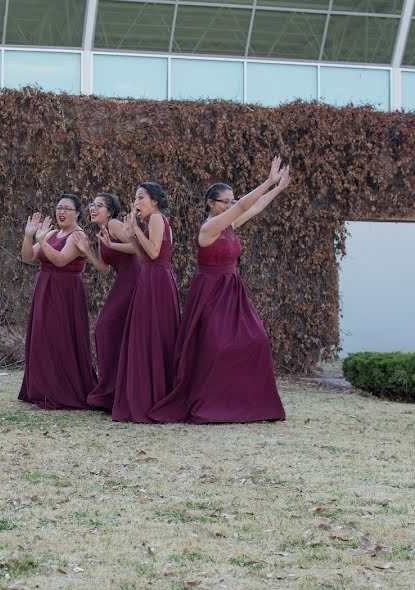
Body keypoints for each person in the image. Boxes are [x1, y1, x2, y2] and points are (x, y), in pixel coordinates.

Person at [156, 158, 291, 424]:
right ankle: (211, 402)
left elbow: (254, 206)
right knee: (215, 346)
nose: (230, 205)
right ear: (211, 203)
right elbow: (243, 205)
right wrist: (268, 181)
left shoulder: (230, 225)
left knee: (257, 340)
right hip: (209, 292)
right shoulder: (209, 228)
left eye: (231, 201)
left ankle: (243, 403)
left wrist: (278, 188)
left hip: (232, 291)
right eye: (225, 201)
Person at [18, 194, 97, 409]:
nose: (61, 212)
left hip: (65, 293)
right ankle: (41, 391)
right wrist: (29, 235)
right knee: (42, 338)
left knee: (59, 340)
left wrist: (42, 240)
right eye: (59, 207)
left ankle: (59, 393)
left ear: (78, 213)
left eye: (67, 209)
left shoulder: (78, 236)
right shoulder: (52, 232)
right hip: (45, 289)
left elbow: (61, 260)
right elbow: (27, 257)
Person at [112, 182, 181, 423]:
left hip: (157, 280)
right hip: (150, 279)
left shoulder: (157, 219)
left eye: (140, 197)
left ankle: (154, 397)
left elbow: (153, 253)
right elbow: (143, 256)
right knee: (147, 335)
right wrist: (132, 235)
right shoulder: (150, 222)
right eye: (135, 197)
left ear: (154, 201)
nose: (135, 202)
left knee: (153, 335)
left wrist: (136, 231)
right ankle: (149, 395)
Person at [71, 193, 139, 411]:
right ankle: (114, 390)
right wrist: (87, 251)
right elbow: (104, 270)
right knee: (111, 332)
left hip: (136, 280)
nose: (93, 208)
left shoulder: (115, 224)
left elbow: (139, 248)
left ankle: (110, 391)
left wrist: (113, 244)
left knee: (105, 329)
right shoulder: (103, 232)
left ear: (109, 211)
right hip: (122, 281)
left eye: (99, 205)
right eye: (92, 204)